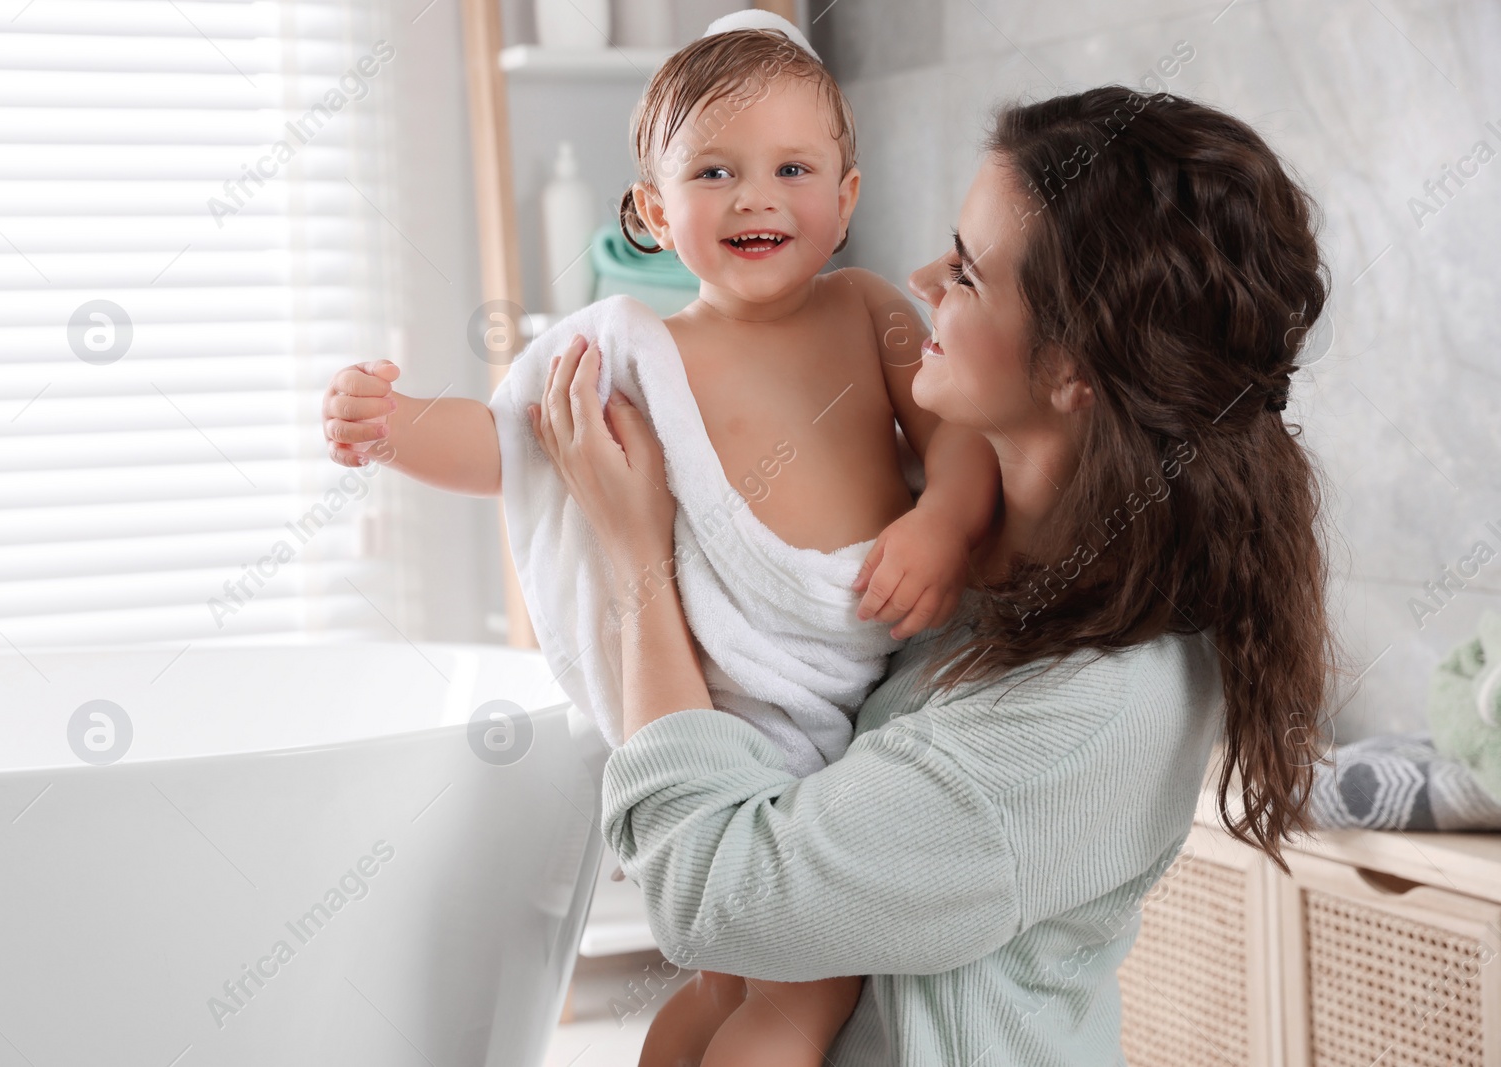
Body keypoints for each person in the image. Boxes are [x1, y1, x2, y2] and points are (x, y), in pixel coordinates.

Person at [528, 86, 1335, 1066]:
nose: (919, 280)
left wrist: (636, 562)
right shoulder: (955, 528)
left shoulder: (1093, 708)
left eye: (966, 272)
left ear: (1071, 368)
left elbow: (713, 896)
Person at [322, 15, 999, 1066]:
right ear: (652, 210)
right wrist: (395, 426)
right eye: (715, 171)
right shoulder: (633, 349)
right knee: (786, 994)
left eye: (792, 167)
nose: (756, 196)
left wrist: (941, 520)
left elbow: (955, 433)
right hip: (717, 707)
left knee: (748, 979)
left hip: (835, 690)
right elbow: (512, 442)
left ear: (846, 197)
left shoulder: (868, 311)